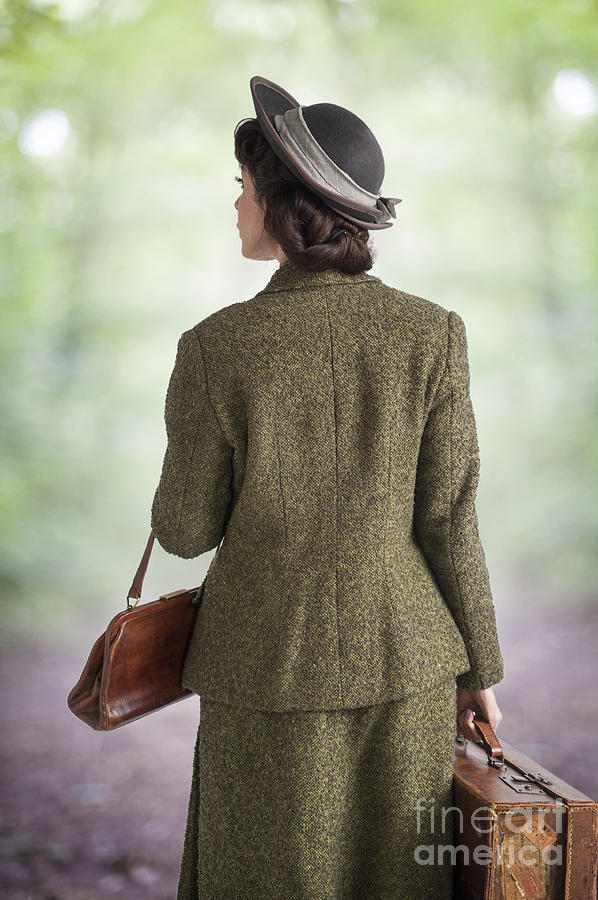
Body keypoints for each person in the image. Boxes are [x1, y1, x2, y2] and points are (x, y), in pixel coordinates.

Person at [151, 75, 504, 899]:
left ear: (283, 205)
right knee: (396, 880)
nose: (234, 203)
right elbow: (450, 518)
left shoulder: (216, 347)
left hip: (262, 663)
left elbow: (184, 528)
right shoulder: (432, 333)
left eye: (242, 187)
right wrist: (477, 670)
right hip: (410, 660)